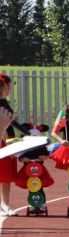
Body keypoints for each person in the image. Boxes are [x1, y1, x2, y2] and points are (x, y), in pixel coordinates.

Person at [0, 73, 19, 215]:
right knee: (4, 174)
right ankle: (4, 205)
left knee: (5, 176)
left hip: (8, 141)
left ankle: (4, 204)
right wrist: (9, 146)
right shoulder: (0, 104)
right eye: (10, 85)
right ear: (4, 86)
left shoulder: (3, 101)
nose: (11, 88)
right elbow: (4, 127)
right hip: (4, 142)